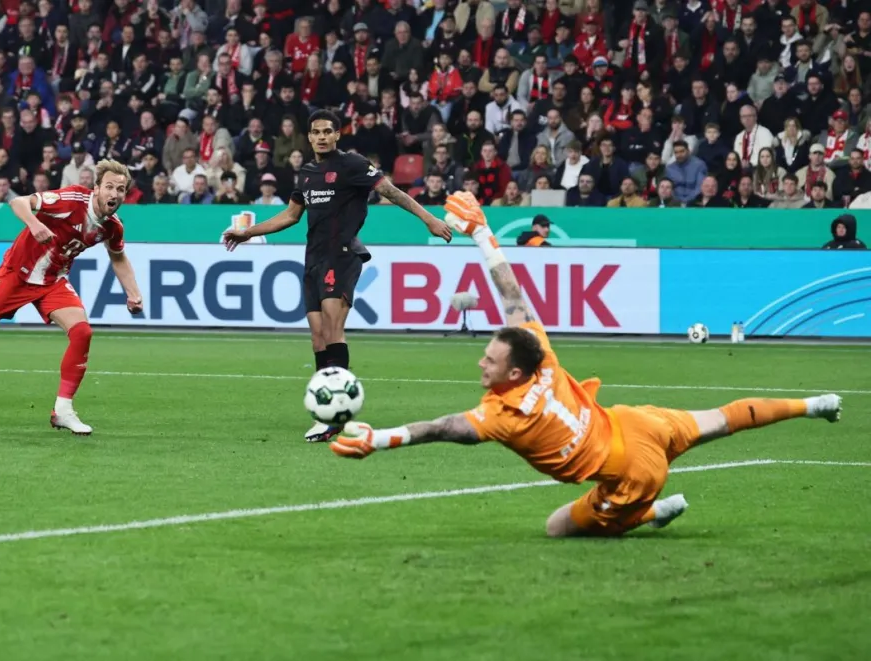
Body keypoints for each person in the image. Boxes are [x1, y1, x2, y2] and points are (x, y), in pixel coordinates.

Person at [330, 192, 844, 536]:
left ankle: (647, 511)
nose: (481, 361)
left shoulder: (503, 416)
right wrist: (483, 235)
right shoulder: (541, 356)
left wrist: (380, 439)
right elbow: (511, 294)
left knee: (557, 527)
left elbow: (442, 428)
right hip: (637, 423)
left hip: (632, 472)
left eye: (490, 359)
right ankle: (813, 404)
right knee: (722, 419)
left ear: (514, 374)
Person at [223, 110, 452, 442]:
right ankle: (325, 409)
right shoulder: (307, 173)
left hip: (342, 254)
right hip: (313, 258)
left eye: (327, 131)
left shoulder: (352, 164)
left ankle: (337, 412)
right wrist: (248, 232)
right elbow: (290, 215)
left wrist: (429, 219)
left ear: (337, 135)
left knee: (332, 328)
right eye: (316, 132)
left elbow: (392, 192)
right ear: (310, 137)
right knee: (318, 337)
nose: (321, 137)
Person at [0, 160, 144, 436]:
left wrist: (133, 293)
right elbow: (18, 202)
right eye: (109, 187)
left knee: (82, 332)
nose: (114, 194)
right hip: (15, 276)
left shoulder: (112, 227)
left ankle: (63, 410)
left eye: (121, 189)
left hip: (52, 282)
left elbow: (118, 257)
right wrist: (34, 223)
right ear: (97, 188)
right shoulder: (72, 199)